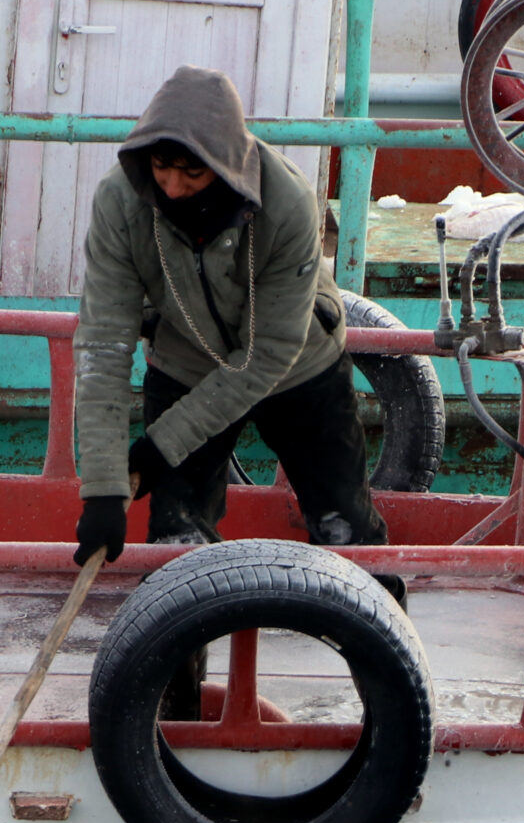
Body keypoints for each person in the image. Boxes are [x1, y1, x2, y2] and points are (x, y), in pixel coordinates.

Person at [70, 66, 389, 577]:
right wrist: (104, 487)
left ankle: (377, 651)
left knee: (346, 529)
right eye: (161, 167)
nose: (172, 188)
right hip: (185, 361)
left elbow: (266, 356)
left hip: (297, 364)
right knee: (175, 541)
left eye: (192, 174)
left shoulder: (287, 204)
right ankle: (180, 653)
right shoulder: (121, 202)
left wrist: (160, 445)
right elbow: (103, 344)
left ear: (223, 166)